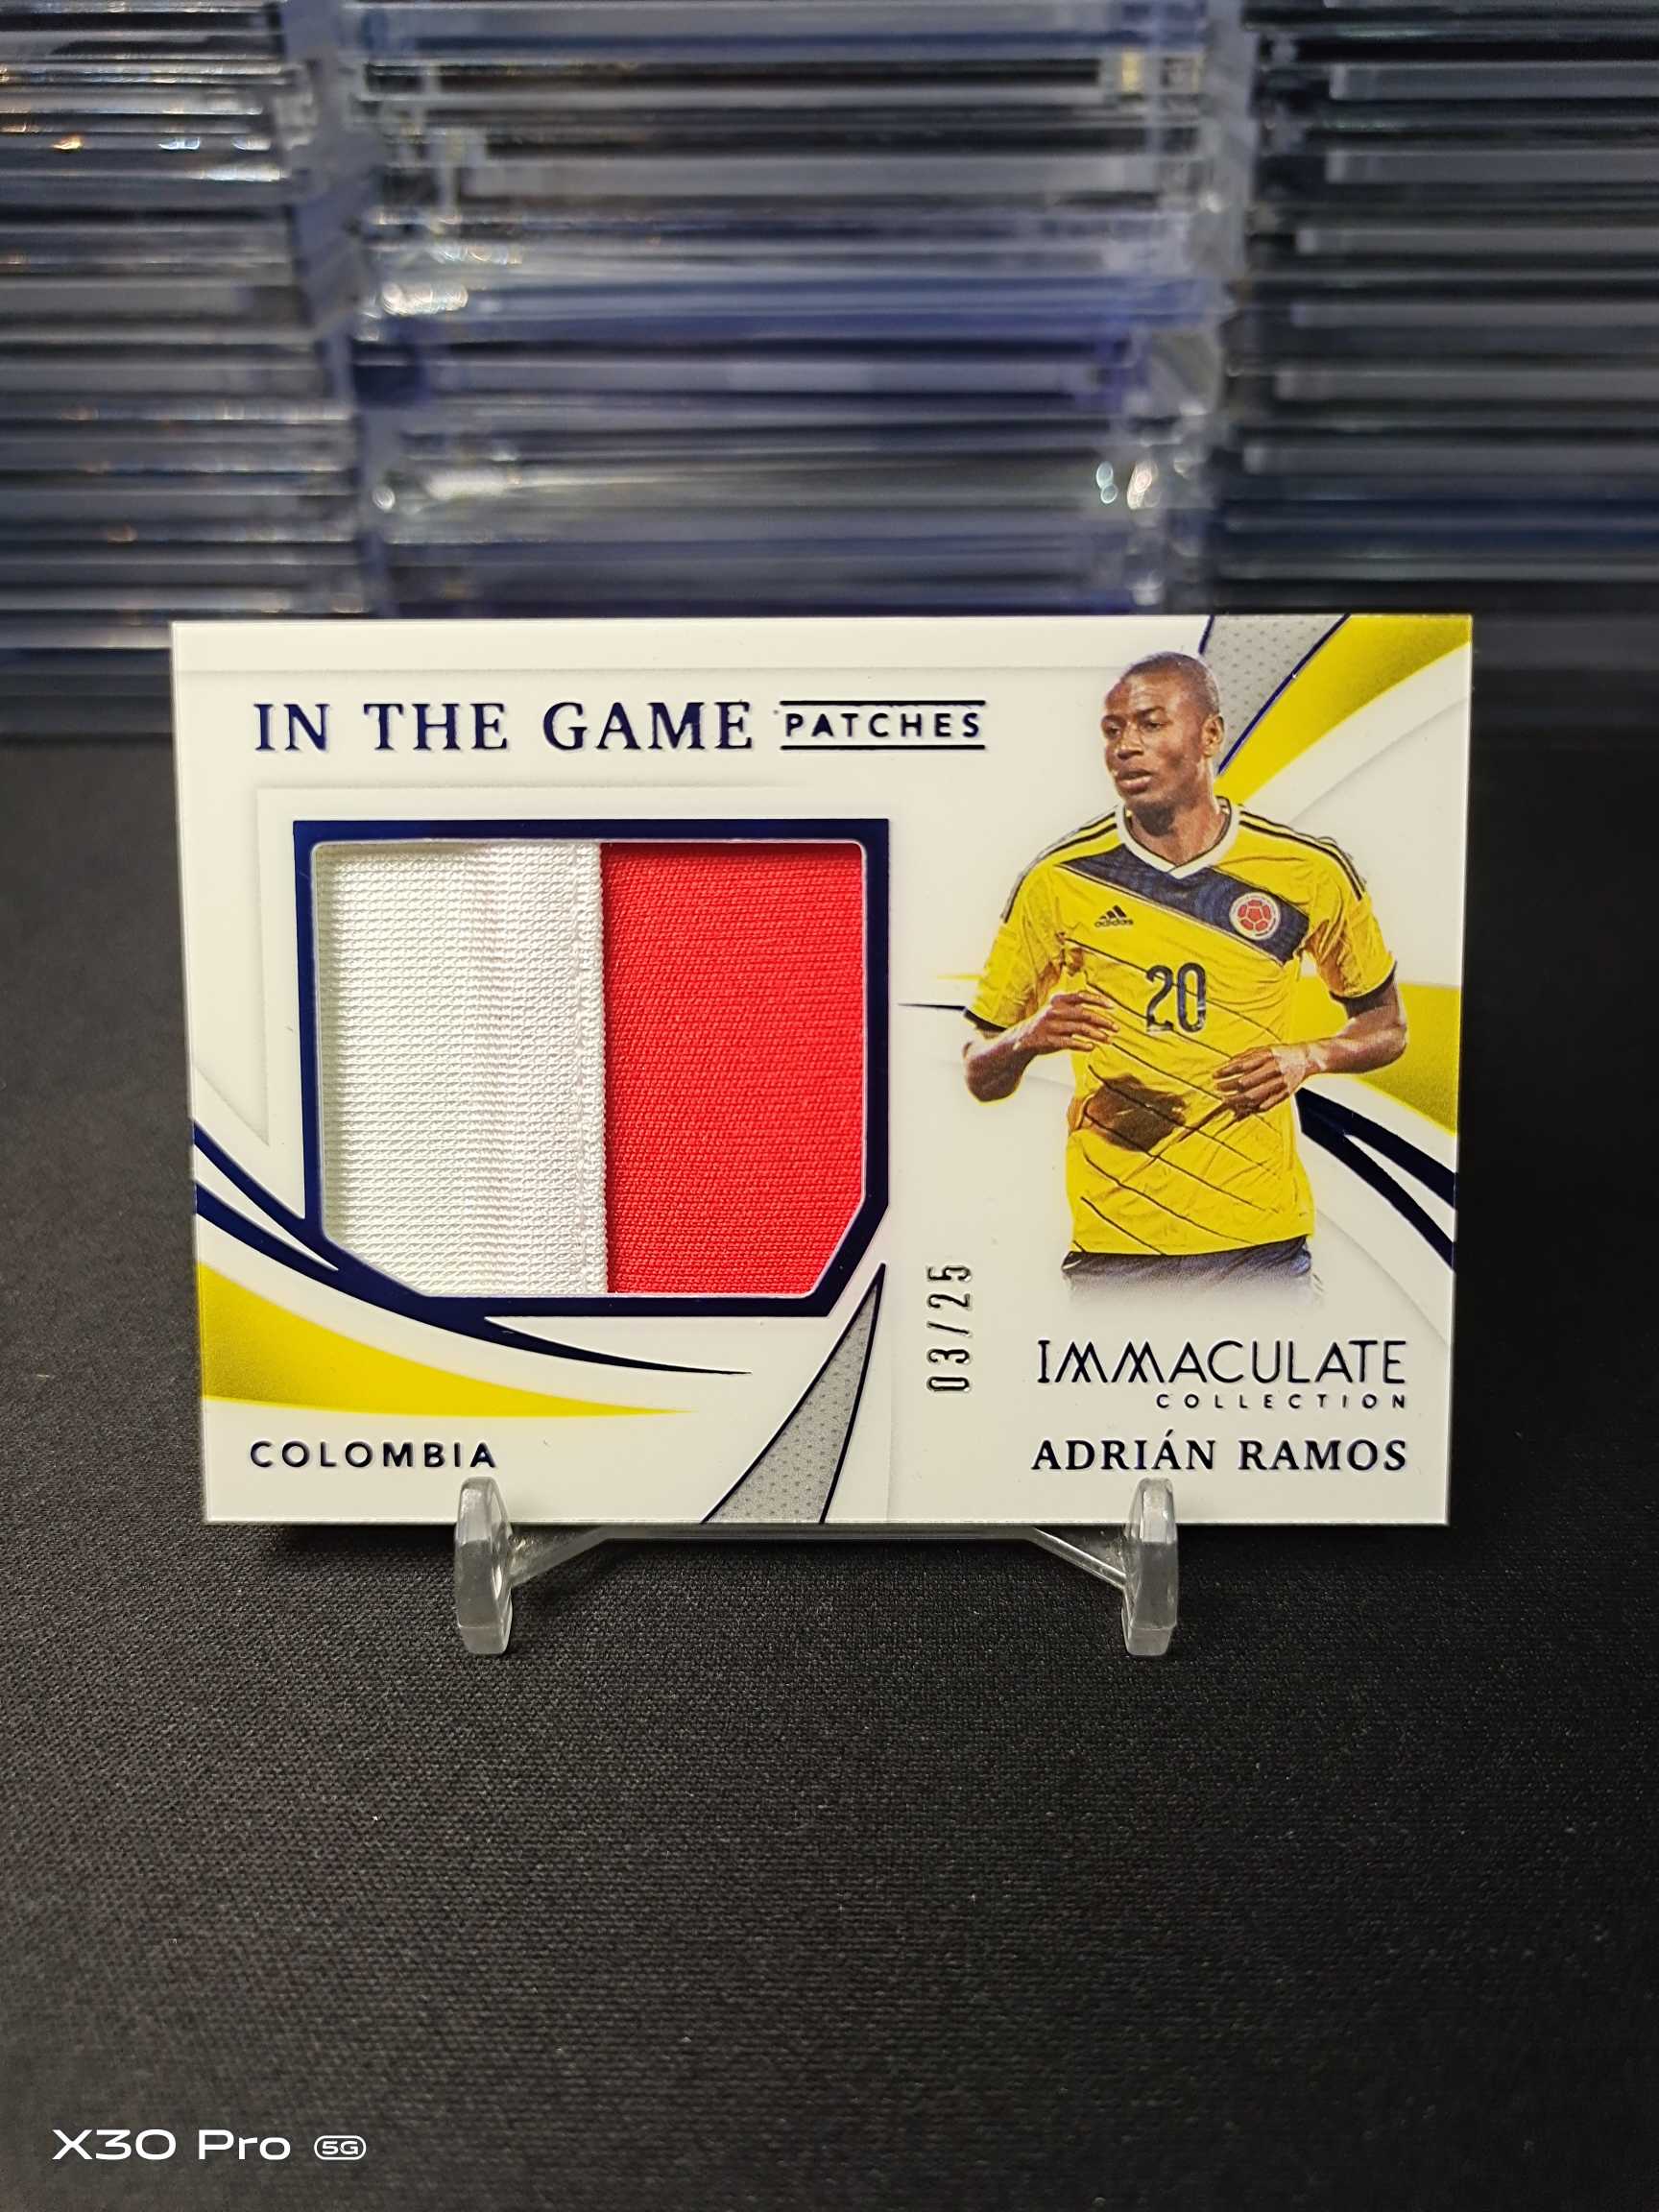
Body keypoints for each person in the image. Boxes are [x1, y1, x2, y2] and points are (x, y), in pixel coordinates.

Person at [963, 651, 1407, 1286]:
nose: (1126, 747)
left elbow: (1387, 1026)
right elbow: (978, 1071)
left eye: (1150, 724)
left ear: (1210, 735)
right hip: (1116, 1250)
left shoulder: (1308, 871)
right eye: (1112, 730)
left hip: (1262, 1246)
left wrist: (1309, 1057)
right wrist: (1027, 1038)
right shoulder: (1058, 879)